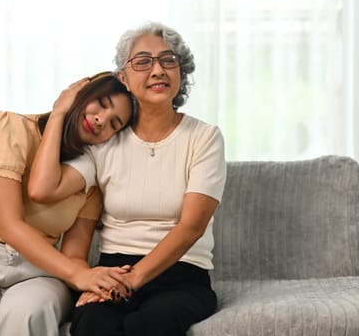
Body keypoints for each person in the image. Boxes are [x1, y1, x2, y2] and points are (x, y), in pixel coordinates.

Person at [28, 22, 227, 336]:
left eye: (168, 60)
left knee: (147, 326)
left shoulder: (204, 138)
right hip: (113, 270)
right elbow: (43, 188)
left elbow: (192, 226)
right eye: (143, 61)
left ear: (181, 71)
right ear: (123, 78)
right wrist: (59, 114)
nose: (158, 70)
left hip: (182, 275)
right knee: (93, 324)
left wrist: (132, 280)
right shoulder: (106, 142)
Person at [0, 72, 135, 336]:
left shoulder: (89, 178)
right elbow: (9, 224)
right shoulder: (9, 127)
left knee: (29, 313)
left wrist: (95, 279)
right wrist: (58, 114)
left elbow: (74, 256)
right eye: (101, 103)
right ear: (80, 92)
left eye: (114, 124)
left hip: (40, 274)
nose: (101, 120)